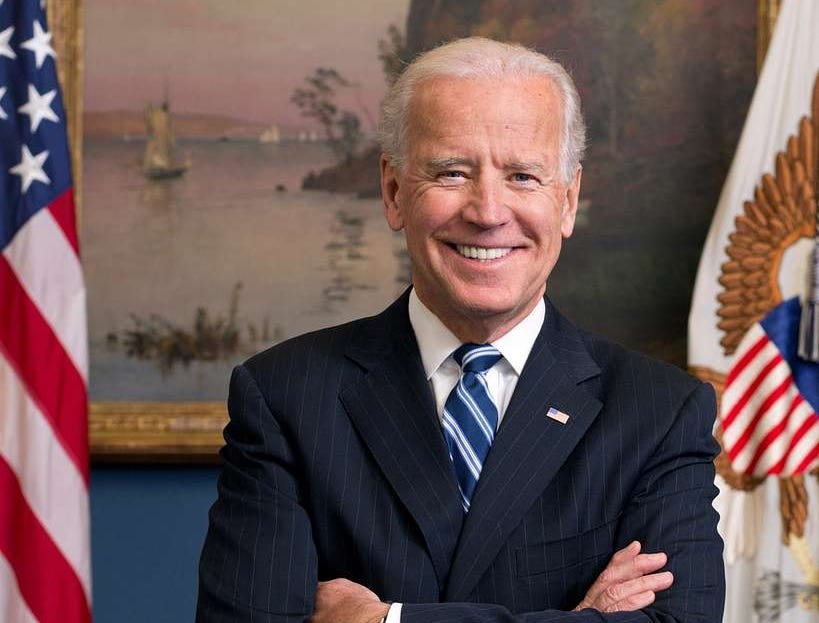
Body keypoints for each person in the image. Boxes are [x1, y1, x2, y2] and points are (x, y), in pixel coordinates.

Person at [196, 37, 724, 623]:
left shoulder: (659, 411)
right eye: (452, 172)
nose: (488, 211)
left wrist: (386, 621)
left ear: (568, 200)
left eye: (523, 176)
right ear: (395, 192)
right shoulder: (286, 397)